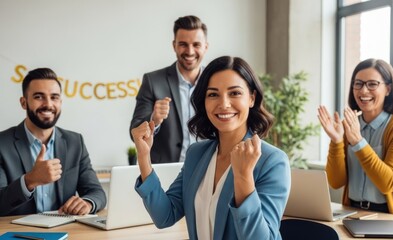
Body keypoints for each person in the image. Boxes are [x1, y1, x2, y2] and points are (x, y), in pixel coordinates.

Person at [132, 56, 290, 239]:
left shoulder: (272, 162)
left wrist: (243, 177)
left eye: (235, 93)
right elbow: (165, 216)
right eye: (213, 94)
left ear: (252, 98)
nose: (223, 104)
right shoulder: (197, 154)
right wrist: (144, 157)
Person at [318, 58, 393, 218]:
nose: (363, 91)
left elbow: (388, 183)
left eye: (372, 84)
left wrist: (358, 142)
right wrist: (337, 141)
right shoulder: (348, 126)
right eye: (358, 84)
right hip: (352, 212)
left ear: (388, 89)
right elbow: (336, 182)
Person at [0, 68, 106, 216]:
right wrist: (29, 181)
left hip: (66, 232)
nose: (48, 104)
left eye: (54, 97)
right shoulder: (2, 144)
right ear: (24, 102)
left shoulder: (75, 142)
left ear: (60, 102)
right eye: (39, 97)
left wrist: (87, 203)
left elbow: (96, 192)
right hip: (17, 233)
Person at [130, 15, 209, 163]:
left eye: (196, 45)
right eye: (183, 44)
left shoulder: (215, 82)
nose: (190, 51)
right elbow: (134, 132)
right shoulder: (153, 81)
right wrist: (154, 120)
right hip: (165, 171)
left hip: (207, 168)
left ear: (206, 46)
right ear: (174, 45)